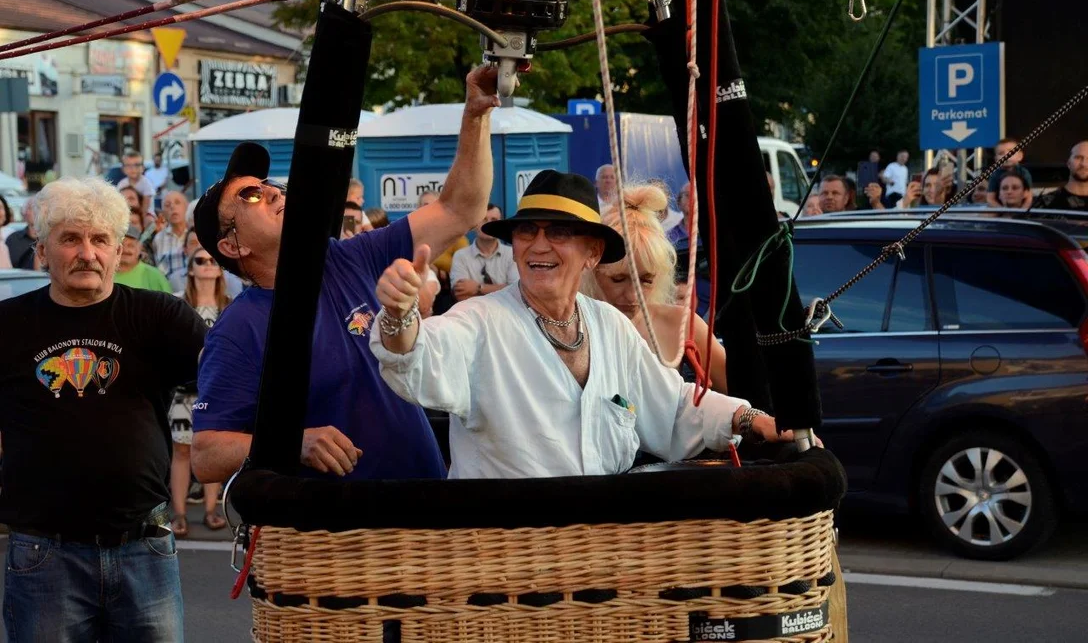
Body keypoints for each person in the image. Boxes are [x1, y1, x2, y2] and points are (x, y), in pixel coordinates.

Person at [370, 170, 796, 479]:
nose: (538, 245)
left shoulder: (609, 325)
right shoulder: (480, 320)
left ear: (592, 253)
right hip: (504, 563)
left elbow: (672, 406)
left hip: (599, 557)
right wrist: (398, 315)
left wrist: (748, 417)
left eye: (558, 232)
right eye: (526, 232)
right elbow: (418, 358)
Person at [191, 65, 501, 483]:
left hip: (427, 515)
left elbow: (460, 208)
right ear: (233, 246)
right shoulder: (238, 328)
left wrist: (476, 115)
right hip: (342, 539)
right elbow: (206, 455)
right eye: (250, 196)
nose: (272, 191)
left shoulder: (349, 257)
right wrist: (293, 442)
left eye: (268, 183)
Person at [0, 177, 207, 641]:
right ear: (41, 251)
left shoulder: (161, 317)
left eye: (100, 240)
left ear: (118, 251)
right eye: (70, 238)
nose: (86, 253)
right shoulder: (7, 326)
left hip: (145, 549)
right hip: (43, 554)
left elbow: (228, 379)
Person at [582, 184, 727, 392]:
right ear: (593, 271)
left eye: (646, 280)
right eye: (618, 279)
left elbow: (746, 396)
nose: (633, 295)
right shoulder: (569, 327)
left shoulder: (681, 324)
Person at [168, 245, 232, 536]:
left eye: (213, 260)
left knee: (211, 449)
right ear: (190, 268)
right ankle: (179, 513)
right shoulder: (177, 304)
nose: (207, 264)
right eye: (200, 260)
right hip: (184, 388)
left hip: (217, 389)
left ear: (221, 268)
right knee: (181, 451)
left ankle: (210, 509)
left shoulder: (230, 305)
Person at [115, 225, 173, 292]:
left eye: (131, 245)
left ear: (140, 248)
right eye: (121, 245)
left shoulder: (155, 277)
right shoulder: (105, 275)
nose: (125, 250)